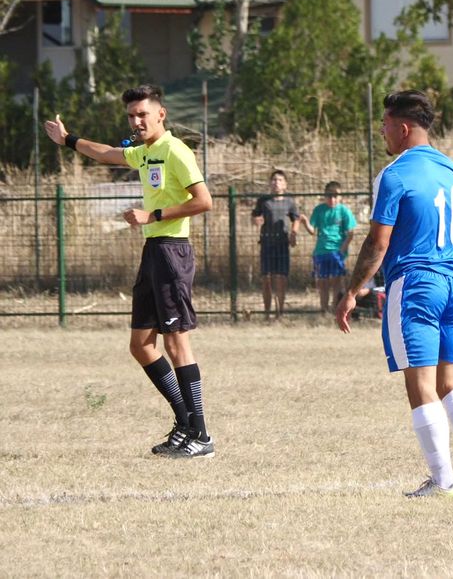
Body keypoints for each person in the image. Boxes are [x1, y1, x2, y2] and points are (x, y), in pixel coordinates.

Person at [334, 90, 453, 499]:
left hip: (417, 285)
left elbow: (377, 243)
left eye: (385, 125)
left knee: (419, 384)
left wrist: (353, 290)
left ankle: (444, 483)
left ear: (402, 128)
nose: (383, 133)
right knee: (448, 381)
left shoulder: (395, 174)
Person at [42, 84, 215, 458]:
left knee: (176, 343)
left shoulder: (175, 150)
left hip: (172, 252)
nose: (136, 121)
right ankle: (184, 422)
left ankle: (201, 435)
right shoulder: (145, 152)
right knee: (140, 345)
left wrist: (151, 215)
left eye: (142, 114)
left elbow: (204, 201)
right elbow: (106, 153)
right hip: (153, 251)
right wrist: (68, 139)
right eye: (131, 116)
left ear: (160, 114)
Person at [298, 181, 357, 313]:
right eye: (329, 195)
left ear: (340, 197)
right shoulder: (319, 210)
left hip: (337, 252)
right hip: (320, 251)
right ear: (324, 195)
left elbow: (351, 233)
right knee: (322, 283)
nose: (332, 199)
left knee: (337, 282)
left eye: (335, 196)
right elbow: (312, 230)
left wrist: (343, 249)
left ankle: (336, 309)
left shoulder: (344, 211)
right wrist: (305, 222)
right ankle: (324, 310)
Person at [251, 169, 300, 319]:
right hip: (266, 243)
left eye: (279, 180)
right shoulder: (263, 200)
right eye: (274, 180)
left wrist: (293, 234)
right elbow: (255, 216)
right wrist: (255, 221)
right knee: (266, 278)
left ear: (285, 184)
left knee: (280, 279)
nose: (276, 183)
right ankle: (267, 313)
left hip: (282, 244)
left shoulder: (290, 201)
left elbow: (296, 219)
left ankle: (280, 313)